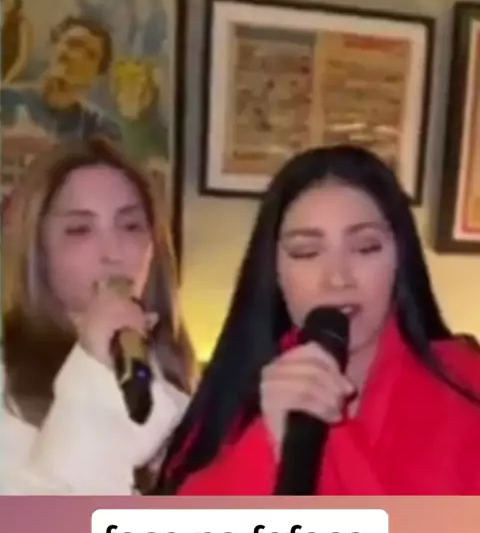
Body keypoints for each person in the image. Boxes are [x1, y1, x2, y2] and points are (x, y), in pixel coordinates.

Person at [155, 145, 480, 497]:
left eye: (366, 248)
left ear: (399, 260)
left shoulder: (464, 382)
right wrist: (270, 445)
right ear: (275, 272)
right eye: (306, 252)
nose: (337, 279)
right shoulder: (228, 408)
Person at [2, 137, 196, 494]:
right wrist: (93, 363)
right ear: (39, 251)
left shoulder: (175, 381)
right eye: (80, 230)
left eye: (131, 226)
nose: (113, 253)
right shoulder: (7, 386)